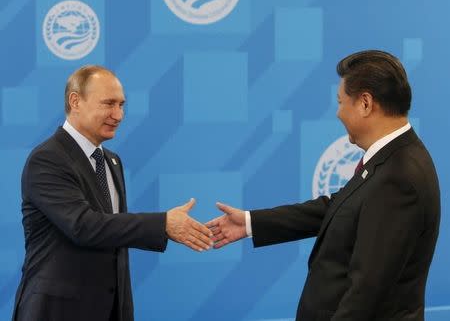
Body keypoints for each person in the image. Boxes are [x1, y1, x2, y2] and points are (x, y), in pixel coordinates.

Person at [207, 50, 440, 321]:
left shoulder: (398, 176)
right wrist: (249, 223)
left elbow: (366, 293)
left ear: (365, 103)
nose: (338, 112)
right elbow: (339, 208)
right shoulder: (392, 158)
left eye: (341, 102)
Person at [12, 65, 213, 321]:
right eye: (109, 104)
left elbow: (114, 237)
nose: (118, 115)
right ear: (75, 101)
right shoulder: (48, 159)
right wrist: (163, 224)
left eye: (121, 104)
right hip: (57, 311)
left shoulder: (111, 161)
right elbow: (83, 226)